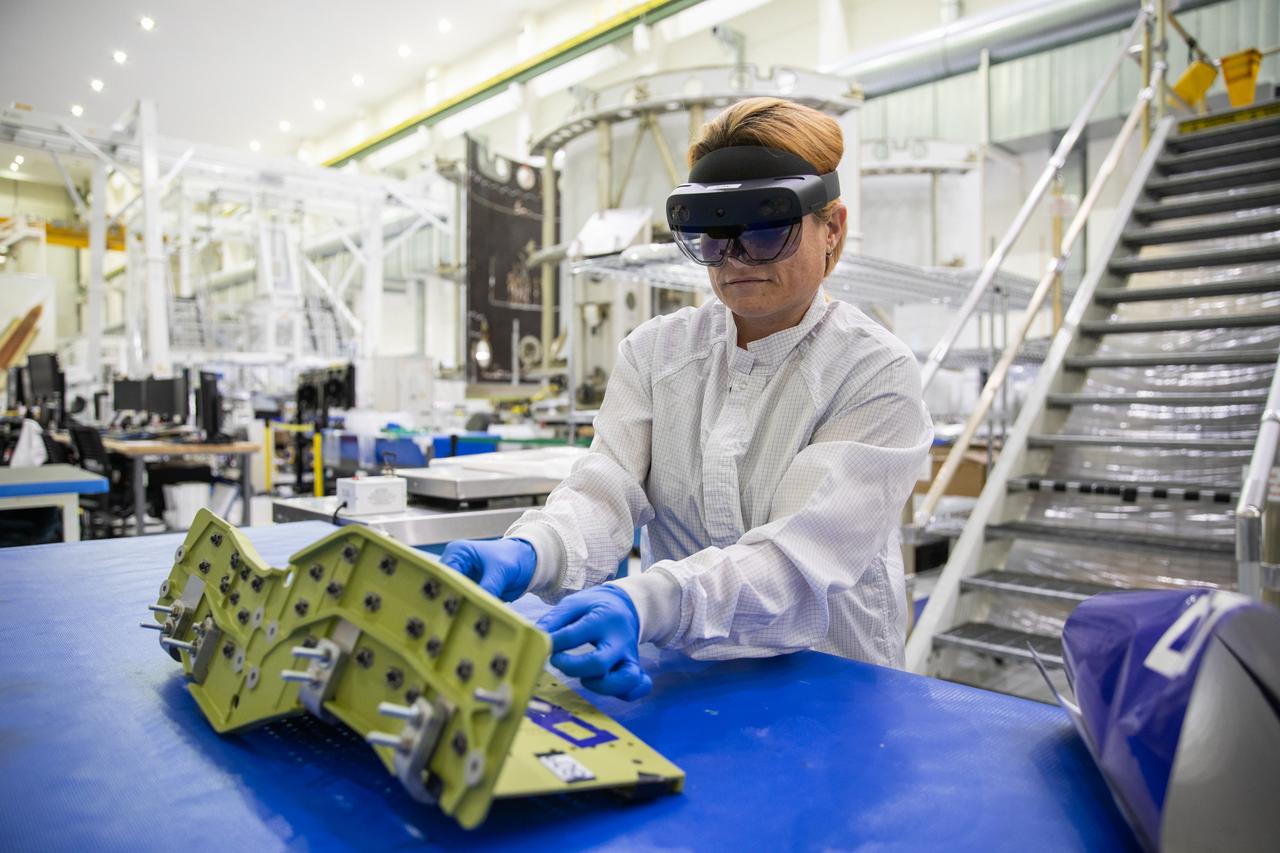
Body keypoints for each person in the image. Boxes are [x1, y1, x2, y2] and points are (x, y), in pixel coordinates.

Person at [443, 97, 933, 701]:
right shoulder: (656, 353)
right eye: (712, 237)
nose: (735, 259)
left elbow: (798, 559)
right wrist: (531, 550)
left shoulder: (872, 370)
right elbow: (606, 492)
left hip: (832, 684)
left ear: (831, 227)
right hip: (687, 680)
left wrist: (644, 600)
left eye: (764, 231)